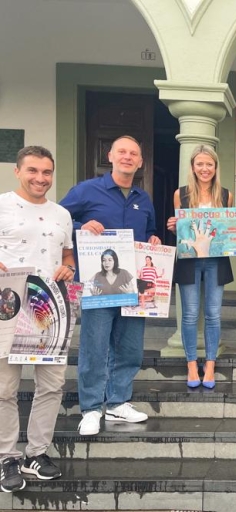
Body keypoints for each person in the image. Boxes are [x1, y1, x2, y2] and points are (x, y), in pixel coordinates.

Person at [60, 135, 160, 436]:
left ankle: (118, 402)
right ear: (111, 156)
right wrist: (80, 226)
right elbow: (60, 221)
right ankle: (91, 408)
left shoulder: (144, 200)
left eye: (134, 153)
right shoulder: (87, 190)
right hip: (98, 287)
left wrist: (154, 240)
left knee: (129, 348)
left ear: (140, 162)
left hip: (132, 287)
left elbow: (150, 233)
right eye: (122, 152)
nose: (128, 157)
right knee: (95, 346)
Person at [0, 146, 75, 492]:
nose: (40, 178)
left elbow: (67, 253)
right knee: (5, 388)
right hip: (8, 305)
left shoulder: (61, 213)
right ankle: (7, 457)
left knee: (52, 385)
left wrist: (69, 266)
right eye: (33, 171)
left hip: (49, 308)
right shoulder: (1, 206)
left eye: (46, 172)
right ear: (18, 171)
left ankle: (36, 453)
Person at [167, 145, 236, 389]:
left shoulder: (226, 195)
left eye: (209, 164)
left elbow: (227, 231)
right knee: (189, 315)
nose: (205, 169)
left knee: (213, 314)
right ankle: (190, 364)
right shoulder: (181, 194)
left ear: (216, 167)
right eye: (200, 164)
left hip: (216, 261)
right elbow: (181, 231)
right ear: (193, 167)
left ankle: (209, 365)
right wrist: (174, 226)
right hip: (189, 260)